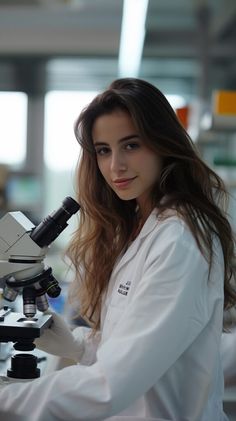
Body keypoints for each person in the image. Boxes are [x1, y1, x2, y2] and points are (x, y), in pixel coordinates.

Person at [0, 77, 235, 421]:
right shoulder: (144, 225)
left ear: (162, 144)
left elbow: (110, 385)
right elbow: (137, 350)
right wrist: (78, 345)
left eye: (131, 145)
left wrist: (8, 400)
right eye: (104, 150)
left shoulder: (178, 240)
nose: (115, 167)